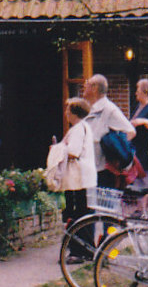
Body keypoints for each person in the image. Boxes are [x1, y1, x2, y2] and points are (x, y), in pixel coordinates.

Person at [46, 97, 97, 258]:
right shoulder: (81, 127)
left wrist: (57, 148)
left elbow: (73, 151)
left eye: (68, 110)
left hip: (77, 180)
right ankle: (85, 249)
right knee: (82, 213)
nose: (66, 113)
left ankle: (79, 251)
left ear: (74, 112)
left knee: (77, 215)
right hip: (81, 178)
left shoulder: (78, 129)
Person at [83, 74, 136, 188]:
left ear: (94, 88)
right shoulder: (90, 108)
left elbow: (130, 131)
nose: (84, 86)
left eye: (87, 84)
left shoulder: (109, 109)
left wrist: (115, 150)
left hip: (102, 169)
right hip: (90, 167)